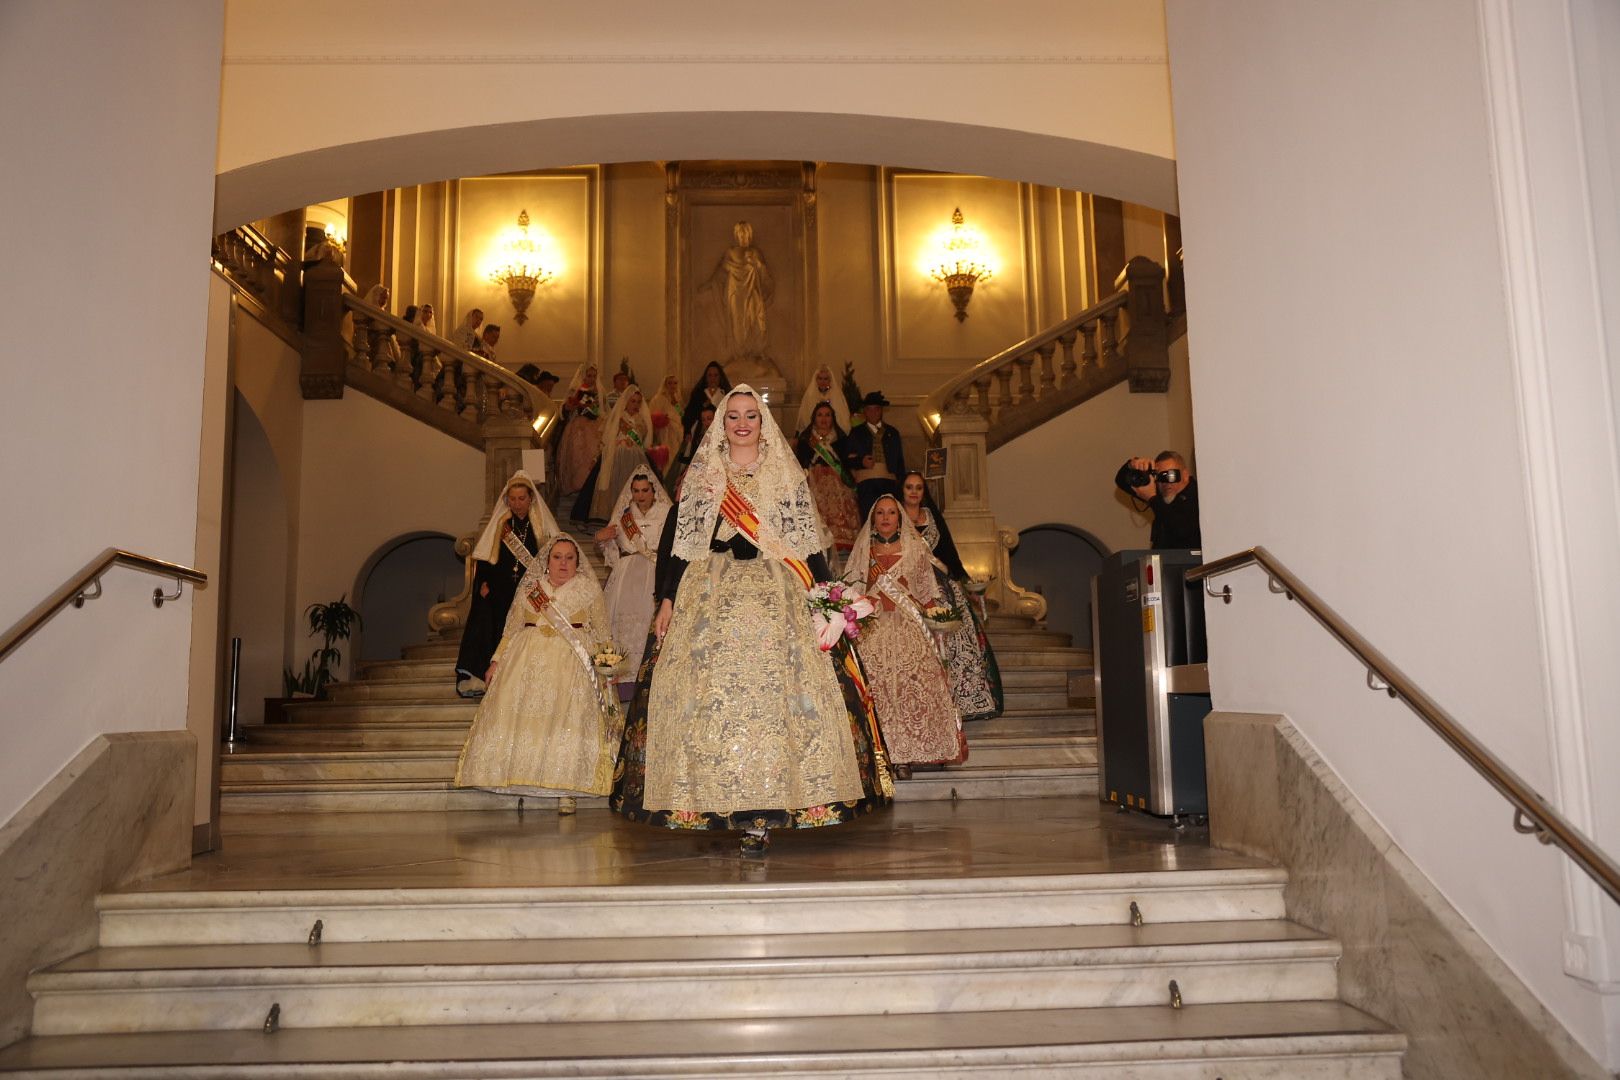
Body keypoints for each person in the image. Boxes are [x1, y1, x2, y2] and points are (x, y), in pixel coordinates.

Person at [611, 385, 890, 855]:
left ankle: (775, 800)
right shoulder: (703, 477)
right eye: (733, 416)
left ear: (764, 423)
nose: (742, 423)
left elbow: (805, 545)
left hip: (777, 592)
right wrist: (666, 600)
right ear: (721, 423)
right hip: (708, 592)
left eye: (751, 416)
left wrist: (826, 596)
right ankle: (714, 795)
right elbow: (680, 546)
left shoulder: (786, 476)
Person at [454, 535, 620, 810]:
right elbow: (511, 629)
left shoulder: (589, 590)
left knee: (566, 723)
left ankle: (568, 789)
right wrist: (495, 661)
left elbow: (603, 633)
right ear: (547, 561)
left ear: (578, 562)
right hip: (526, 660)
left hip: (572, 662)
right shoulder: (531, 589)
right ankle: (521, 778)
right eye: (557, 557)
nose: (563, 563)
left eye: (569, 557)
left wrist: (607, 665)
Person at [844, 494, 966, 775]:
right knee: (877, 689)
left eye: (891, 513)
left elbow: (928, 593)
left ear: (900, 519)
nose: (886, 518)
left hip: (908, 626)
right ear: (873, 520)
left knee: (910, 688)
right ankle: (881, 754)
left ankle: (908, 755)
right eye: (880, 514)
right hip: (872, 627)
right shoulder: (864, 551)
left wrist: (937, 622)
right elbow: (851, 591)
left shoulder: (915, 551)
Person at [899, 470, 1003, 720]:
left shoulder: (932, 516)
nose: (913, 492)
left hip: (941, 584)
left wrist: (967, 582)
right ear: (901, 490)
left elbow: (948, 551)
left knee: (956, 639)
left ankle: (965, 701)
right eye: (909, 487)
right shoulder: (893, 514)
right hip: (908, 584)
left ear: (924, 492)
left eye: (918, 488)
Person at [454, 470, 562, 695]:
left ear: (531, 498)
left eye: (521, 498)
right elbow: (486, 557)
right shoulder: (501, 524)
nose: (517, 503)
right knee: (488, 619)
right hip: (501, 589)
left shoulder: (541, 524)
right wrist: (482, 582)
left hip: (531, 589)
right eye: (512, 499)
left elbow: (553, 556)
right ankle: (486, 675)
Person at [594, 466, 672, 677]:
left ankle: (649, 674)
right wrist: (602, 539)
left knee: (649, 619)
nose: (640, 495)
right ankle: (619, 675)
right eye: (636, 491)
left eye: (645, 490)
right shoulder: (624, 516)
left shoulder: (666, 513)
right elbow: (609, 549)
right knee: (620, 622)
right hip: (626, 575)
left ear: (654, 491)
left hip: (655, 572)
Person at [794, 400, 860, 565]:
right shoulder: (806, 439)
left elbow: (847, 462)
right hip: (814, 481)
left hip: (839, 484)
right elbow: (800, 463)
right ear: (814, 418)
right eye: (820, 415)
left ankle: (842, 545)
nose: (824, 419)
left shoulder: (842, 439)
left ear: (833, 418)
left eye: (828, 415)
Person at [577, 383, 651, 524]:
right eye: (633, 401)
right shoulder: (617, 417)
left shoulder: (641, 419)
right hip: (616, 456)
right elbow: (606, 438)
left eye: (638, 402)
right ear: (626, 401)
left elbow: (641, 436)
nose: (635, 405)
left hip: (635, 457)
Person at [1115, 451, 1201, 549]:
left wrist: (1152, 499)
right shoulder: (1161, 495)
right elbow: (1122, 481)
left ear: (1185, 475)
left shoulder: (1199, 495)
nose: (1165, 482)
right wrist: (1132, 464)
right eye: (1160, 476)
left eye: (1171, 475)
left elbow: (1182, 530)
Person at [844, 390, 906, 519]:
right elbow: (846, 461)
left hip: (889, 482)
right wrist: (861, 462)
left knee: (888, 516)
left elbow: (900, 461)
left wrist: (901, 484)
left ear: (881, 411)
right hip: (866, 484)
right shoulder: (856, 433)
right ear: (864, 412)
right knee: (868, 517)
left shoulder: (892, 433)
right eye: (869, 409)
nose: (873, 413)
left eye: (876, 409)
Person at [556, 365, 604, 497]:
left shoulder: (599, 391)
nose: (592, 379)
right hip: (578, 425)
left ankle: (591, 486)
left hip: (594, 424)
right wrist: (573, 405)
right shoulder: (575, 390)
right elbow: (565, 408)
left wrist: (595, 409)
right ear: (583, 376)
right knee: (578, 455)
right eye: (589, 376)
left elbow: (602, 409)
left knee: (594, 453)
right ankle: (579, 486)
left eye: (594, 376)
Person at [667, 399, 715, 493]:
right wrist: (684, 474)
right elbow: (697, 459)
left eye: (709, 419)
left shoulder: (723, 436)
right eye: (704, 420)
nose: (706, 423)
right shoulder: (703, 436)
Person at [794, 363, 851, 435]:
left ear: (830, 380)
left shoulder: (837, 395)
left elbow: (842, 416)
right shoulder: (810, 395)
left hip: (833, 433)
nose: (822, 382)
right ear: (816, 380)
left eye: (825, 379)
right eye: (820, 378)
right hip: (813, 433)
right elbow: (803, 416)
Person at [646, 374, 684, 475]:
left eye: (675, 383)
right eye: (670, 383)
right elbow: (653, 415)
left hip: (677, 433)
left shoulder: (677, 399)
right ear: (665, 384)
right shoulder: (658, 398)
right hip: (664, 434)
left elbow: (680, 415)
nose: (672, 386)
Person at [681, 361, 730, 433]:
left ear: (720, 377)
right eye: (710, 375)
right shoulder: (698, 394)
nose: (712, 378)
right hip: (700, 431)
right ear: (706, 377)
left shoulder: (726, 394)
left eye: (716, 375)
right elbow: (689, 414)